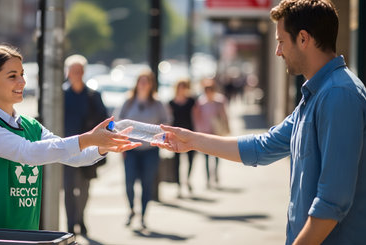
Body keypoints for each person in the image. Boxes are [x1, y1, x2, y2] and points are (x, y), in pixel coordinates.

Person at [152, 0, 366, 244]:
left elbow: (332, 201)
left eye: (281, 41)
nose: (278, 51)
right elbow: (263, 146)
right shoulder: (318, 94)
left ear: (304, 39)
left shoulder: (338, 94)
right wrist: (192, 140)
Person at [0, 45, 140, 231]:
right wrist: (89, 139)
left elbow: (75, 156)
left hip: (24, 237)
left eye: (22, 74)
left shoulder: (30, 125)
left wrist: (103, 145)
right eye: (12, 76)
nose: (22, 82)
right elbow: (28, 153)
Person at [115, 70, 169, 229]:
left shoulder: (158, 103)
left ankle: (144, 215)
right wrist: (121, 143)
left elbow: (166, 122)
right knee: (129, 182)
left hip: (150, 150)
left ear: (151, 84)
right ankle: (131, 209)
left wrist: (159, 136)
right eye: (141, 81)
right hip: (130, 149)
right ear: (137, 83)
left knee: (147, 183)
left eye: (147, 81)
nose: (144, 84)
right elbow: (117, 122)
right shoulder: (128, 101)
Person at [62, 54, 108, 235]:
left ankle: (81, 219)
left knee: (84, 187)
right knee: (68, 188)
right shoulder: (61, 95)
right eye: (74, 71)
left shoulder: (93, 95)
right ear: (68, 72)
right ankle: (70, 223)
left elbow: (104, 119)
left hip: (88, 148)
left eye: (80, 71)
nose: (77, 74)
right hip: (66, 148)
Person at [193, 78, 230, 189]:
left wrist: (227, 127)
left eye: (210, 89)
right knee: (206, 158)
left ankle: (216, 174)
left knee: (217, 155)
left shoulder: (220, 100)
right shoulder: (201, 101)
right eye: (206, 89)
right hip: (205, 133)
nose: (208, 91)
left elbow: (224, 115)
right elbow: (197, 116)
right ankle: (208, 179)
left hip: (216, 132)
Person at [168, 78, 196, 197]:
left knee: (190, 160)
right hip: (176, 136)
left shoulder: (191, 101)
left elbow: (196, 116)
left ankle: (187, 180)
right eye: (179, 87)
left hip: (190, 133)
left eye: (183, 87)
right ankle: (179, 185)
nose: (181, 89)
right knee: (176, 162)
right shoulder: (171, 103)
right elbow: (168, 119)